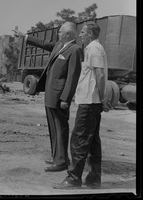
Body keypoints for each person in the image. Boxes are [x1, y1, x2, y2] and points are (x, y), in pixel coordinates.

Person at [14, 22, 83, 172]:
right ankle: (57, 157)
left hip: (59, 98)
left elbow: (72, 77)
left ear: (68, 35)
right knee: (53, 128)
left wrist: (66, 98)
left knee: (60, 128)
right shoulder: (60, 45)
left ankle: (61, 161)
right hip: (51, 95)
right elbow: (44, 43)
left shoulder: (75, 50)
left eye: (60, 32)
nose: (58, 35)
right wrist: (25, 37)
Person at [53, 22, 112, 189]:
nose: (80, 35)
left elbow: (99, 76)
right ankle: (94, 178)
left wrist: (103, 98)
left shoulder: (93, 48)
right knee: (92, 141)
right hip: (91, 102)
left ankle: (73, 178)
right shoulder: (94, 48)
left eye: (83, 32)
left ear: (91, 33)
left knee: (78, 140)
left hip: (89, 102)